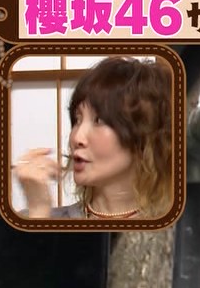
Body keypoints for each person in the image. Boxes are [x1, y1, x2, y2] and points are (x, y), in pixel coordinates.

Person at [12, 55, 175, 220]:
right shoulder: (35, 216)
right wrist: (39, 210)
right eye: (77, 120)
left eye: (99, 120)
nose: (77, 137)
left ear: (143, 135)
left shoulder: (173, 225)